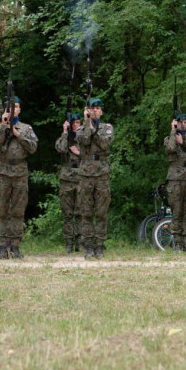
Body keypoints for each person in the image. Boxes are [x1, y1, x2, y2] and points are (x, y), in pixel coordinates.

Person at [0, 95, 38, 259]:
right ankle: (1, 246)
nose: (13, 110)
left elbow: (33, 148)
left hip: (20, 172)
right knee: (1, 210)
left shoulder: (26, 128)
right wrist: (2, 126)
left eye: (16, 106)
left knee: (17, 210)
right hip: (2, 172)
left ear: (19, 109)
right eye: (10, 107)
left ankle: (15, 246)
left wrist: (16, 133)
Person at [77, 98, 114, 259]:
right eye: (92, 109)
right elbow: (84, 140)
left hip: (101, 174)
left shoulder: (107, 128)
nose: (95, 111)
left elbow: (105, 144)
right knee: (86, 212)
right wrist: (87, 123)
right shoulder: (81, 128)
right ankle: (89, 246)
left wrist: (94, 129)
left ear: (101, 111)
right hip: (86, 174)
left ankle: (99, 245)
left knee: (101, 211)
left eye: (98, 108)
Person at [165, 113, 186, 252]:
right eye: (180, 122)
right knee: (177, 212)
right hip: (175, 179)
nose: (183, 124)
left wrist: (183, 141)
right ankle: (177, 243)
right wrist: (173, 132)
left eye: (185, 122)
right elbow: (170, 149)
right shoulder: (168, 138)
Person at [54, 112, 82, 253]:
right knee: (68, 213)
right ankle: (69, 242)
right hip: (67, 179)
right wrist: (65, 133)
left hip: (81, 178)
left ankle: (80, 242)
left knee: (81, 212)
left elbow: (92, 154)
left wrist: (78, 153)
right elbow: (60, 149)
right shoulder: (65, 138)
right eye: (74, 123)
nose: (77, 125)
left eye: (79, 122)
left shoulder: (84, 138)